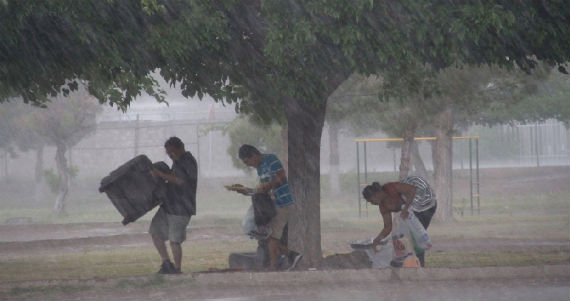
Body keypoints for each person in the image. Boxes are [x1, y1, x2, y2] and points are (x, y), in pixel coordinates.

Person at [237, 144, 302, 271]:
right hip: (272, 205)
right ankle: (290, 256)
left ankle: (277, 265)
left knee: (272, 237)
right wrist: (247, 191)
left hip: (283, 202)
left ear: (254, 155)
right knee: (267, 236)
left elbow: (281, 177)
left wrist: (269, 185)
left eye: (247, 161)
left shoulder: (270, 159)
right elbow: (262, 189)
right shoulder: (260, 168)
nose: (247, 164)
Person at [362, 176, 437, 267]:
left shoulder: (390, 187)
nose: (372, 204)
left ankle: (418, 264)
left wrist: (405, 208)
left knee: (414, 238)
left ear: (376, 195)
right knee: (406, 240)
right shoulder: (383, 207)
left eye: (371, 201)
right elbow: (387, 227)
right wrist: (377, 240)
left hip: (424, 206)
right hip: (410, 216)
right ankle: (408, 263)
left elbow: (412, 190)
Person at [149, 137, 198, 274]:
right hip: (169, 205)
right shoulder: (177, 162)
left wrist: (160, 174)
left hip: (181, 208)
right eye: (168, 153)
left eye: (172, 152)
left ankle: (177, 269)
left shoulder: (188, 161)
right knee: (155, 232)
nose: (170, 155)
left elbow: (180, 181)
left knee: (174, 240)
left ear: (181, 147)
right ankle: (166, 263)